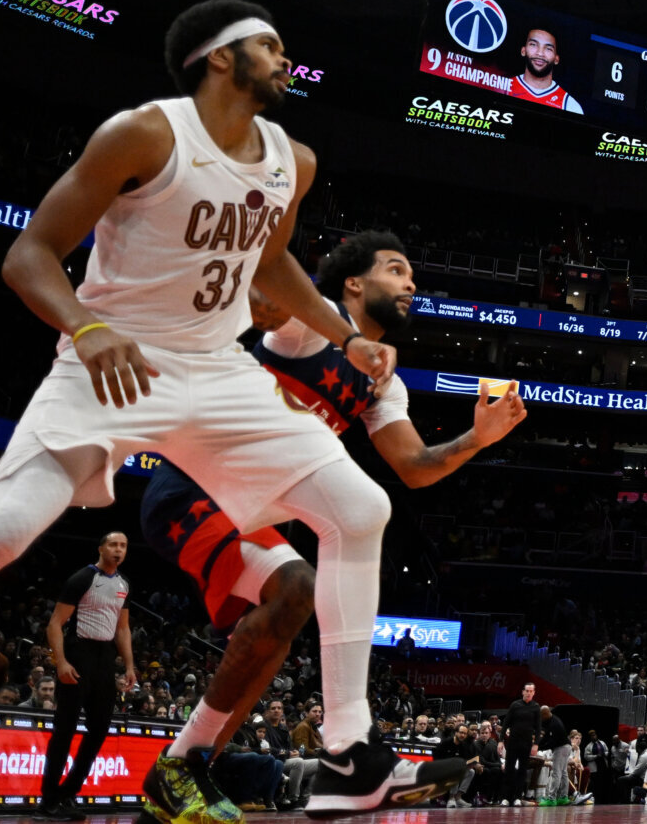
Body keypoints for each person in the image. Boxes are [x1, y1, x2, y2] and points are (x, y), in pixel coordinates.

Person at [0, 0, 450, 824]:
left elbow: (270, 265)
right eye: (268, 44)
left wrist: (345, 334)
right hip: (111, 360)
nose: (285, 58)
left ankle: (350, 748)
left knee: (360, 506)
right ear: (219, 58)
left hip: (215, 368)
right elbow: (28, 255)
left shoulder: (293, 160)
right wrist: (85, 326)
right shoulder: (143, 134)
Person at [140, 229, 506, 798]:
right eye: (395, 269)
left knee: (294, 598)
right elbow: (267, 304)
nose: (411, 283)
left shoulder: (385, 384)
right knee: (347, 527)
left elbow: (414, 466)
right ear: (353, 283)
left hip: (258, 505)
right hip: (197, 488)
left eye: (412, 275)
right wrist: (263, 288)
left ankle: (184, 765)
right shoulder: (317, 320)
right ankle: (348, 751)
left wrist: (477, 439)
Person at [40, 532, 136, 820]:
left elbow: (122, 628)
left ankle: (68, 793)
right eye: (113, 545)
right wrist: (61, 662)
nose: (118, 550)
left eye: (123, 546)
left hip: (105, 658)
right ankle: (48, 801)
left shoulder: (124, 583)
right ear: (101, 548)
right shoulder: (83, 578)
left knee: (99, 730)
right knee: (65, 730)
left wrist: (129, 666)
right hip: (78, 652)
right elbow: (55, 624)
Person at [509, 27, 585, 113]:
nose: (540, 53)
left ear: (556, 59)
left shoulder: (570, 106)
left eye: (548, 48)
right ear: (523, 50)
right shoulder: (504, 88)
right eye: (533, 44)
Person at [503, 682, 542, 805]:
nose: (529, 693)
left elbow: (538, 728)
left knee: (522, 770)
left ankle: (517, 798)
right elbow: (506, 723)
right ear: (523, 692)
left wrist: (536, 744)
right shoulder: (515, 705)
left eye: (531, 691)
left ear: (534, 693)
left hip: (526, 743)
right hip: (513, 742)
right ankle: (506, 797)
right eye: (527, 691)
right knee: (509, 769)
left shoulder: (536, 707)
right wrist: (500, 741)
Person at [539, 703, 572, 805]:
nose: (540, 718)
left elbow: (552, 742)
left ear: (545, 714)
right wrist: (538, 744)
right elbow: (546, 737)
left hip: (561, 748)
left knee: (556, 773)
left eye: (541, 716)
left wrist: (539, 747)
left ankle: (551, 798)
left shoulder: (555, 724)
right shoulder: (551, 720)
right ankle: (563, 797)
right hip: (566, 747)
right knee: (563, 773)